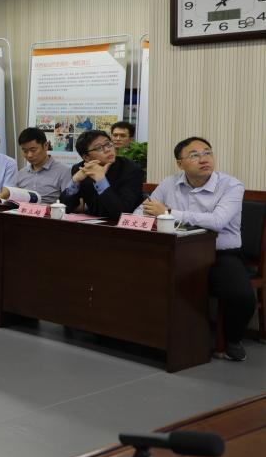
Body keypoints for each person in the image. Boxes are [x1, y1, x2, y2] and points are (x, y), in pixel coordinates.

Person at [140, 137, 255, 362]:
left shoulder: (231, 185)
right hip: (176, 252)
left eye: (207, 152)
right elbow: (143, 210)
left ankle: (233, 339)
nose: (204, 159)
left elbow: (217, 221)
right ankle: (148, 334)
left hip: (219, 254)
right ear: (180, 163)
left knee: (241, 295)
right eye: (194, 155)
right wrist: (141, 216)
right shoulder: (169, 183)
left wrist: (168, 213)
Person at [60, 129, 144, 220]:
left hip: (125, 225)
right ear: (86, 157)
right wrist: (75, 181)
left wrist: (101, 180)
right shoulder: (81, 169)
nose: (107, 150)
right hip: (92, 222)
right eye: (99, 148)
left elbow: (122, 213)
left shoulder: (131, 170)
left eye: (108, 144)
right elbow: (64, 208)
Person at [0, 127, 72, 204]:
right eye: (25, 151)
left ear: (46, 146)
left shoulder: (64, 171)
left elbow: (69, 202)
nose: (29, 155)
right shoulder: (21, 173)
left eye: (33, 150)